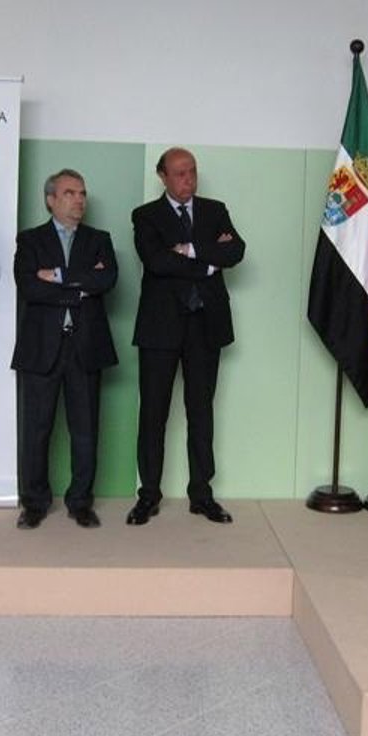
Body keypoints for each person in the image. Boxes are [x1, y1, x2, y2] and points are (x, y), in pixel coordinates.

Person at [128, 147, 245, 525]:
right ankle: (148, 495)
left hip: (205, 325)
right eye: (179, 173)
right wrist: (208, 264)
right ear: (162, 176)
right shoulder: (146, 215)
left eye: (192, 171)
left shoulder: (215, 210)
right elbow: (156, 261)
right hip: (160, 327)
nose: (188, 179)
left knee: (201, 412)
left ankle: (202, 494)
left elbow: (236, 251)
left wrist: (191, 249)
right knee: (153, 413)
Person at [12, 169, 118, 529]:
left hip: (85, 346)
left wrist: (56, 276)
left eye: (82, 193)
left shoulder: (99, 239)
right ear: (51, 200)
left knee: (85, 430)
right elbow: (29, 287)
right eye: (70, 193)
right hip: (41, 348)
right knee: (36, 430)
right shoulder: (30, 240)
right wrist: (80, 286)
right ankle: (34, 502)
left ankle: (81, 502)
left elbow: (106, 280)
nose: (79, 200)